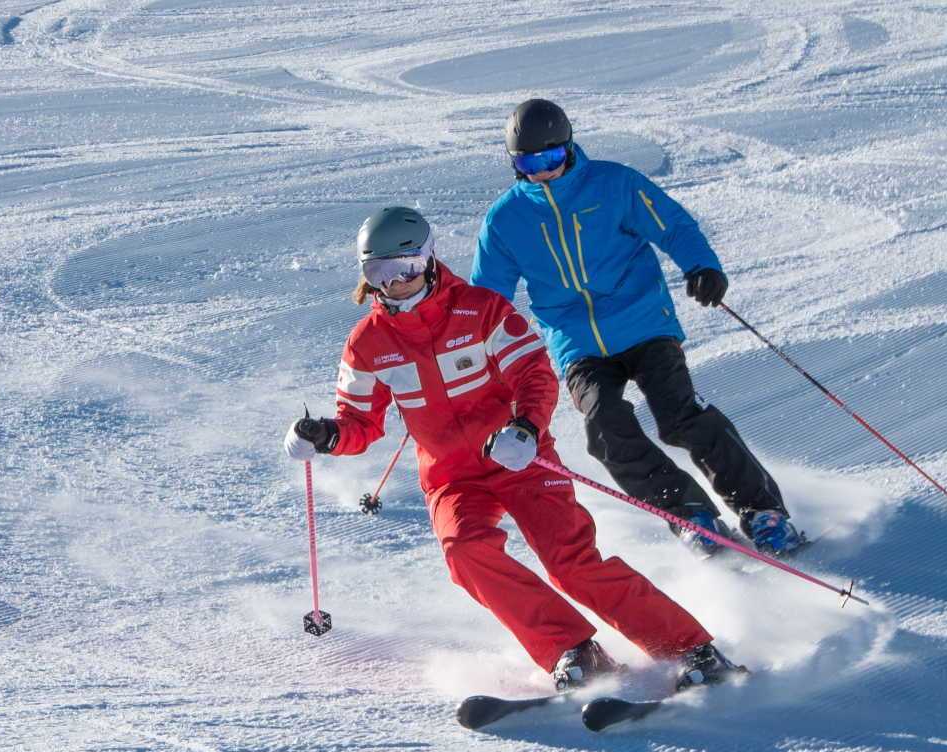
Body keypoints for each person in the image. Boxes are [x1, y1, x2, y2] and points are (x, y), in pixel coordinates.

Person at [284, 206, 744, 693]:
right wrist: (327, 436)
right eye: (379, 272)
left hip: (520, 457)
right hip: (451, 476)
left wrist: (525, 428)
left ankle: (692, 649)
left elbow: (534, 375)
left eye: (407, 268)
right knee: (465, 552)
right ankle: (575, 651)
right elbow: (360, 423)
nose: (395, 282)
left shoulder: (481, 309)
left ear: (430, 258)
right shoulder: (368, 343)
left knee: (571, 562)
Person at [470, 99, 804, 558]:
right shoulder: (506, 219)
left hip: (644, 323)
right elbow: (488, 299)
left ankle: (763, 511)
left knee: (680, 417)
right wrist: (467, 351)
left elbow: (673, 225)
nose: (541, 172)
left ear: (568, 148)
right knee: (605, 433)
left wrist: (702, 265)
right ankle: (690, 513)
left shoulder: (613, 183)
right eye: (528, 163)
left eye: (550, 159)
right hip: (577, 343)